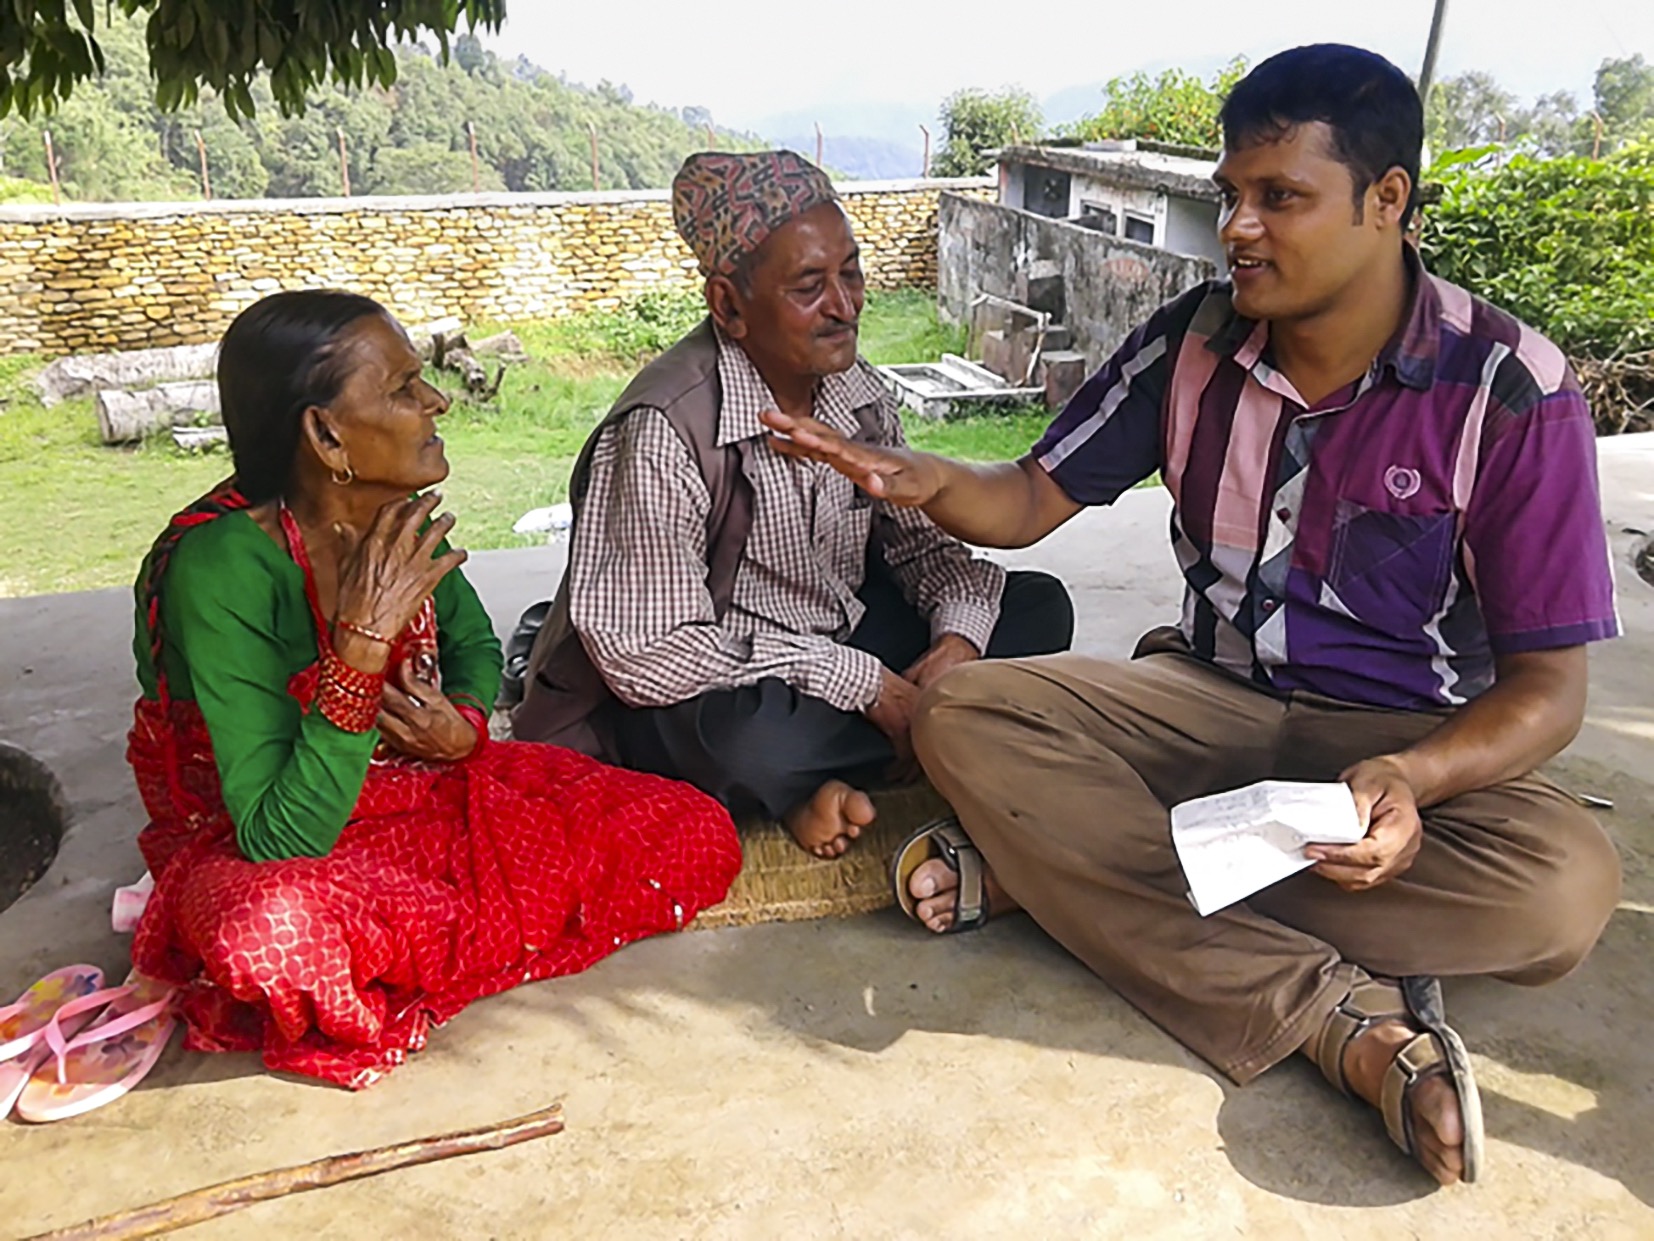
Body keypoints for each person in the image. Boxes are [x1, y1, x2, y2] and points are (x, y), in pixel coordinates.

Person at [756, 46, 1623, 1185]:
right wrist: (918, 473)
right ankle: (1327, 1017)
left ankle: (1057, 870)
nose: (1238, 229)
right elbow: (1027, 498)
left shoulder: (1511, 389)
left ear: (1387, 200)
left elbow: (1547, 693)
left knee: (1563, 890)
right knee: (962, 711)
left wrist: (1414, 777)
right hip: (1202, 701)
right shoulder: (1192, 340)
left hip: (1394, 743)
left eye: (1279, 198)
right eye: (1229, 196)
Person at [125, 290, 742, 1088]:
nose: (435, 400)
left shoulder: (400, 514)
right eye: (403, 387)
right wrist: (361, 644)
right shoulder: (221, 569)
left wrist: (465, 728)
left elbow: (476, 643)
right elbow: (277, 834)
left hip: (425, 784)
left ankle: (429, 935)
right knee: (270, 935)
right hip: (271, 838)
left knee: (694, 830)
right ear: (324, 433)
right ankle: (452, 922)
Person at [512, 151, 1073, 863]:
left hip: (834, 643)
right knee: (752, 744)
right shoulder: (663, 430)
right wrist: (864, 682)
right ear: (729, 306)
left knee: (1037, 608)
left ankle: (868, 754)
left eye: (851, 272)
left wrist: (955, 651)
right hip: (717, 680)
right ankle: (912, 743)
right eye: (810, 286)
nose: (845, 305)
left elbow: (924, 552)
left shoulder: (857, 395)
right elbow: (648, 654)